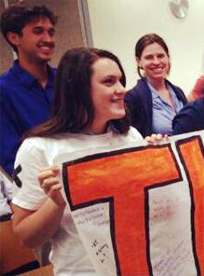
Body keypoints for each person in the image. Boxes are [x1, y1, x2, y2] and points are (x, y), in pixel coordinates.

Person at [10, 48, 145, 274]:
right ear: (79, 90)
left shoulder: (130, 137)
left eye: (121, 80)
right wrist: (56, 201)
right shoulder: (39, 148)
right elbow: (27, 237)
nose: (121, 89)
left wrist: (161, 159)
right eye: (109, 81)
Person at [0, 3, 57, 175]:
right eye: (38, 31)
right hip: (37, 187)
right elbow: (10, 157)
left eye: (51, 32)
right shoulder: (3, 90)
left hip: (80, 178)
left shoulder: (67, 80)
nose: (48, 39)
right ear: (14, 38)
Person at [125, 33, 187, 137]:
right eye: (149, 57)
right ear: (138, 62)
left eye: (160, 56)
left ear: (168, 57)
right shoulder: (133, 98)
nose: (156, 61)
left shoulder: (178, 92)